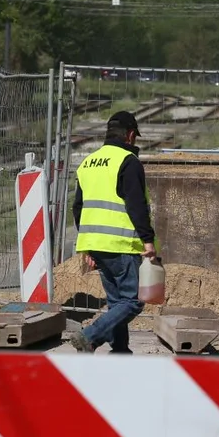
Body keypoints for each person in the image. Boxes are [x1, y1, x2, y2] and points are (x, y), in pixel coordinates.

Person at [68, 111, 159, 354]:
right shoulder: (128, 161)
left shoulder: (88, 162)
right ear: (130, 135)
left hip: (95, 242)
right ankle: (90, 335)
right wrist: (147, 240)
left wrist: (87, 244)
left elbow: (78, 206)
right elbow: (136, 204)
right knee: (133, 302)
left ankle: (120, 351)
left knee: (117, 302)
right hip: (120, 242)